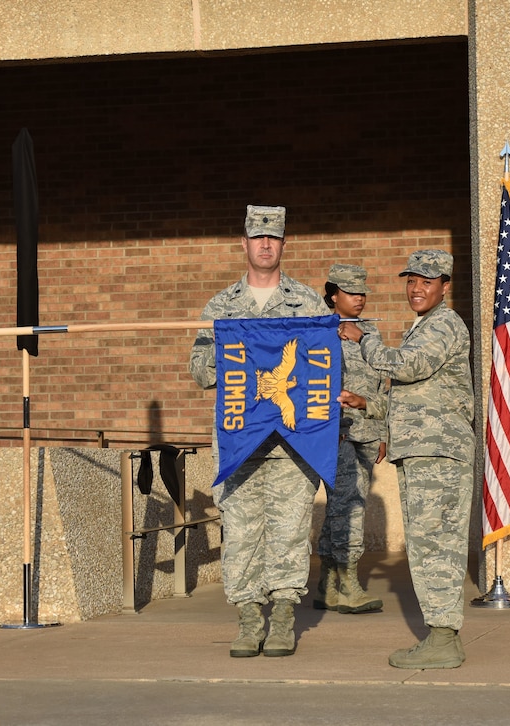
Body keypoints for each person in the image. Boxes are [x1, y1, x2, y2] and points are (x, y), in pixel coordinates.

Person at [189, 205, 330, 658]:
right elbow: (200, 372)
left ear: (284, 244)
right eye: (257, 237)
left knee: (289, 530)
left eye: (273, 238)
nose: (265, 244)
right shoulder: (221, 306)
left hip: (294, 441)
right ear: (244, 244)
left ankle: (285, 618)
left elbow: (327, 369)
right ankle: (250, 621)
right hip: (239, 440)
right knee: (243, 533)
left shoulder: (308, 304)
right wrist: (229, 352)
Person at [338, 249, 474, 669]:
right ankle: (440, 634)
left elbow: (407, 366)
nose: (416, 288)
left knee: (436, 544)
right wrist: (368, 404)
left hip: (437, 453)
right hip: (423, 450)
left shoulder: (444, 325)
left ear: (445, 287)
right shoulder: (425, 327)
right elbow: (415, 397)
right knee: (426, 543)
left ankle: (443, 638)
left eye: (427, 281)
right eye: (411, 280)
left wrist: (366, 338)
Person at [313, 263, 387, 615]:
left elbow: (383, 384)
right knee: (350, 506)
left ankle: (327, 584)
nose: (360, 299)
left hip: (367, 432)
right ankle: (349, 582)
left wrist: (382, 430)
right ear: (333, 295)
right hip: (336, 433)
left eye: (363, 293)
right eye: (352, 292)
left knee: (342, 507)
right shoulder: (317, 332)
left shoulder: (370, 332)